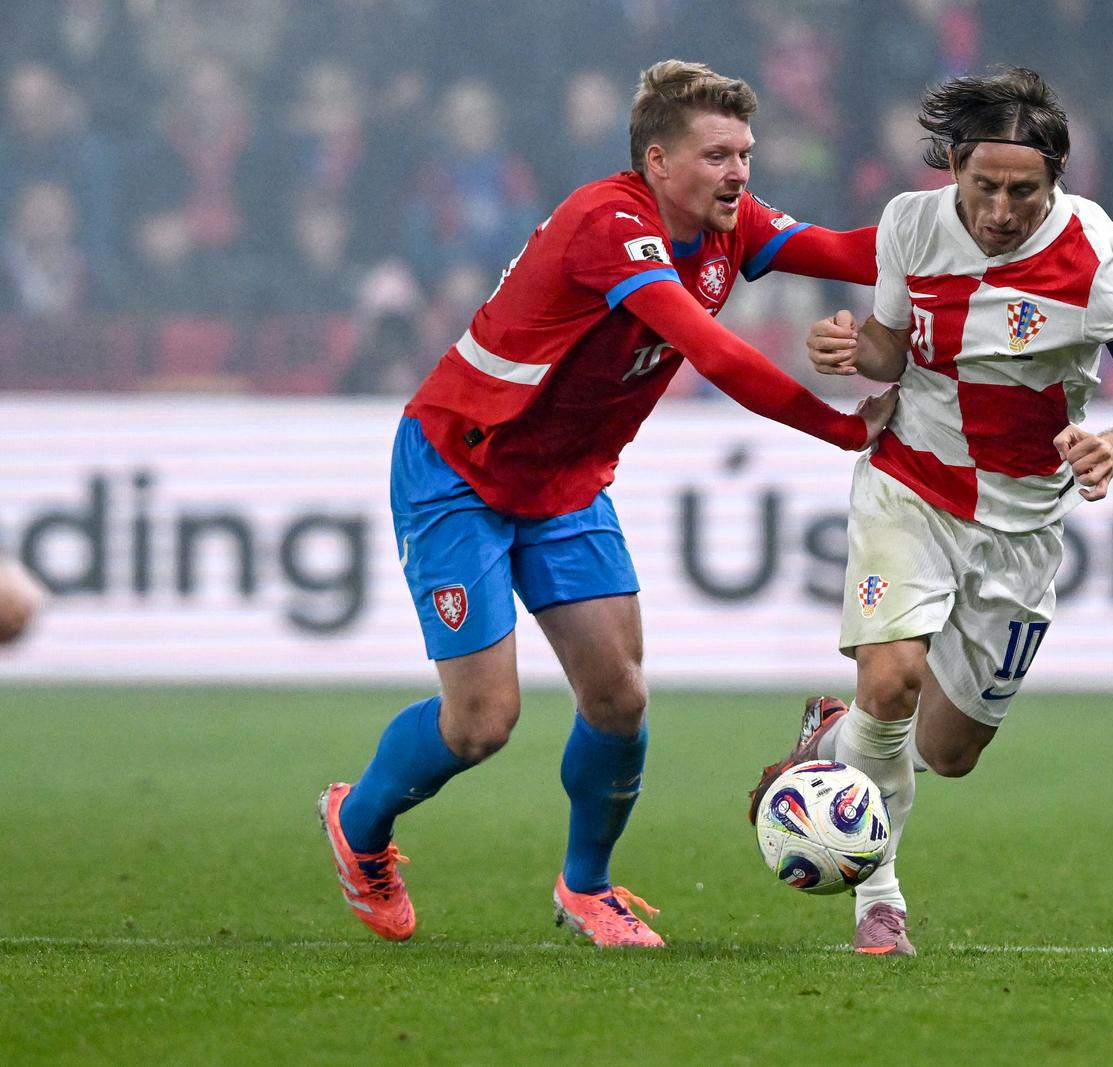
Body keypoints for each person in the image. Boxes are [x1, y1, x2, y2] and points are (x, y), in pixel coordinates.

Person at [319, 60, 896, 948]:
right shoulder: (609, 223)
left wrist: (969, 235)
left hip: (566, 480)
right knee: (482, 722)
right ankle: (358, 821)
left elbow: (852, 251)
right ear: (658, 160)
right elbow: (716, 354)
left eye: (745, 153)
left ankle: (586, 886)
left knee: (620, 698)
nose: (739, 172)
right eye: (717, 156)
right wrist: (844, 427)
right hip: (461, 465)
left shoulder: (731, 222)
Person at [748, 68, 1113, 956]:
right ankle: (879, 902)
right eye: (983, 185)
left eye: (1023, 191)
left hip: (1021, 523)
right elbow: (892, 347)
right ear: (953, 165)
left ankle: (830, 735)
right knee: (892, 682)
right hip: (912, 482)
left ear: (1057, 175)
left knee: (949, 749)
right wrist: (854, 348)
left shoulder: (1101, 257)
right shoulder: (911, 225)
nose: (999, 209)